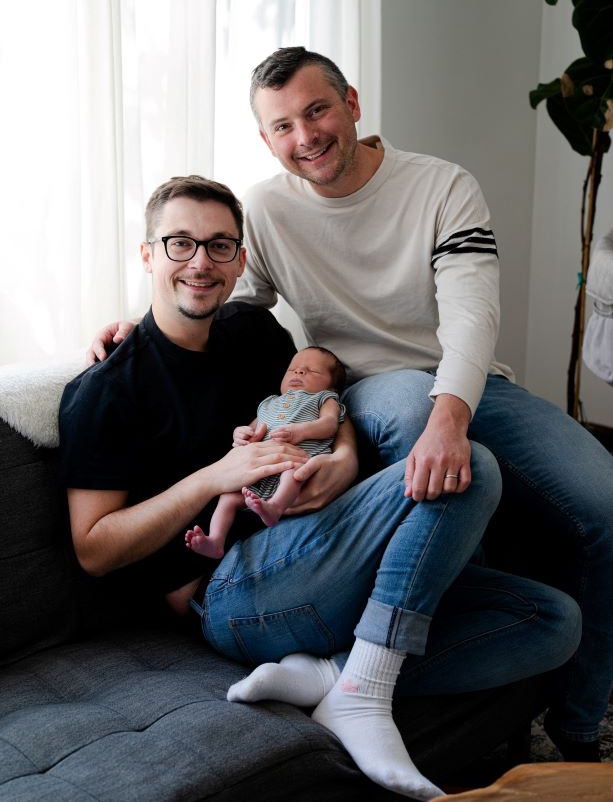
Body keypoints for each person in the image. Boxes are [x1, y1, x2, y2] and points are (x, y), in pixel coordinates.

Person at [87, 48, 613, 763]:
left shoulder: (440, 186)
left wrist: (449, 415)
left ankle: (580, 728)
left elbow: (469, 313)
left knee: (603, 506)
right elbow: (209, 285)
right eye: (282, 125)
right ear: (265, 139)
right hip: (367, 386)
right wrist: (131, 324)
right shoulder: (267, 209)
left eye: (316, 110)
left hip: (464, 377)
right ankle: (373, 682)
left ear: (352, 104)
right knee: (436, 447)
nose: (304, 135)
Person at [185, 344, 347, 556]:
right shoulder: (269, 403)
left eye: (312, 370)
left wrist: (301, 431)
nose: (299, 371)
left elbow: (329, 424)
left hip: (296, 461)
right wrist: (240, 434)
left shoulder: (324, 399)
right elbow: (253, 430)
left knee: (293, 472)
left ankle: (275, 507)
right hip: (260, 472)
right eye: (293, 368)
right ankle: (216, 540)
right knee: (229, 497)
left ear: (332, 388)